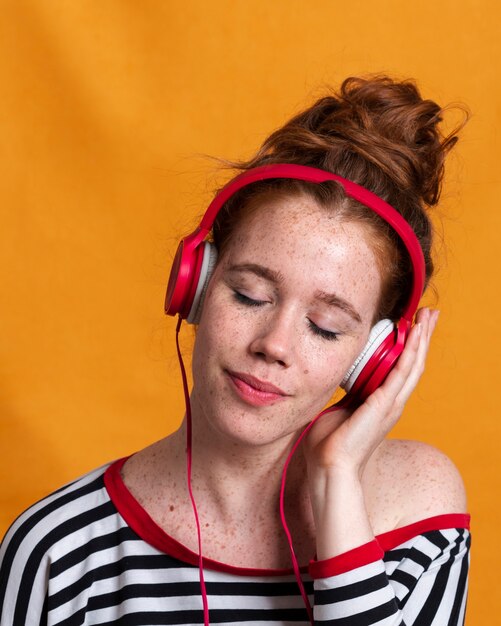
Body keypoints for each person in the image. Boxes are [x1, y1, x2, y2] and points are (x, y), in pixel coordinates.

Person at [0, 76, 470, 625]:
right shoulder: (57, 551)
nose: (273, 345)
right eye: (250, 295)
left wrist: (335, 476)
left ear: (371, 358)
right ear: (195, 286)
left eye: (324, 327)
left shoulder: (416, 510)